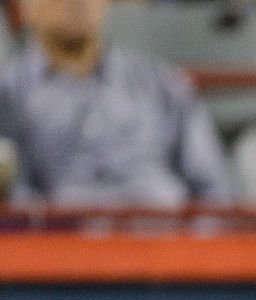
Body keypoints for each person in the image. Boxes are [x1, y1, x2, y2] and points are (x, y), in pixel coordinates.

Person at [0, 0, 233, 206]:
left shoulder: (161, 82)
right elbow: (18, 199)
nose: (76, 2)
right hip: (69, 243)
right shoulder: (10, 92)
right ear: (23, 6)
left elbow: (213, 189)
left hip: (169, 239)